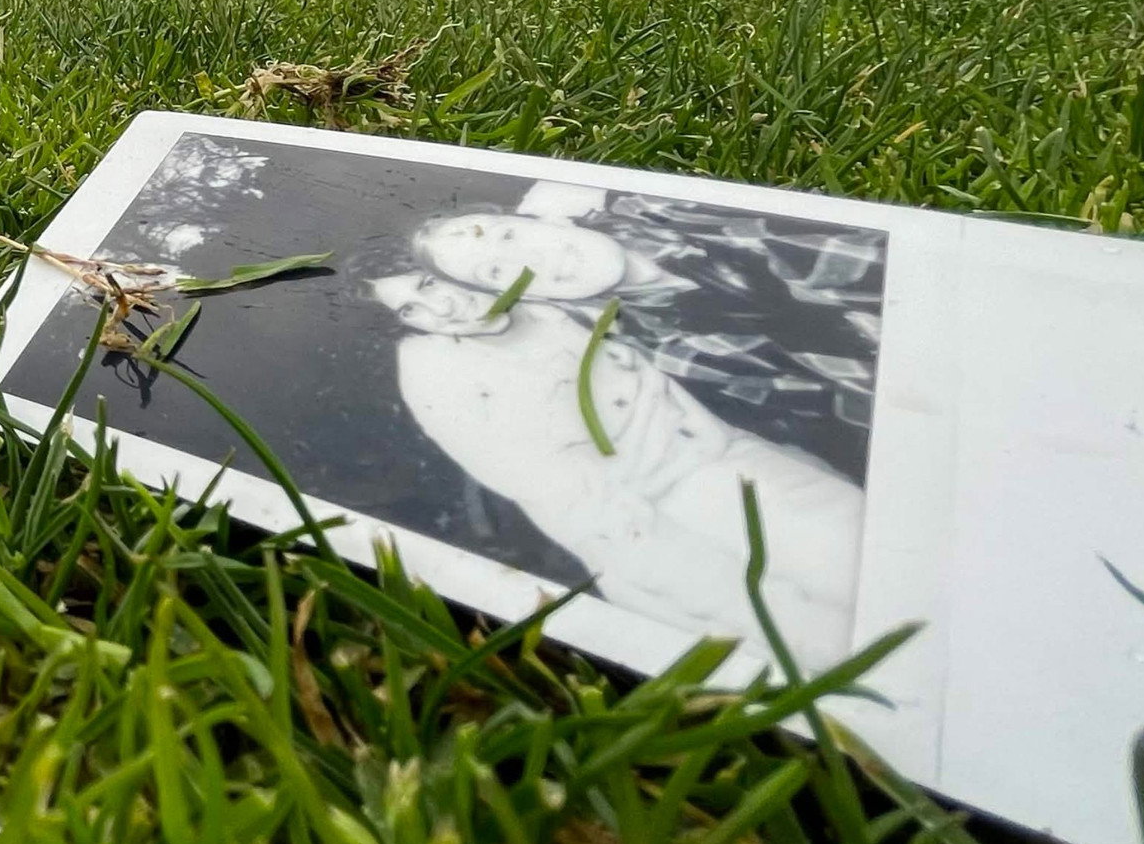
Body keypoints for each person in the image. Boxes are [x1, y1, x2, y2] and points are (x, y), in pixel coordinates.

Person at [369, 268, 864, 673]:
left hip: (734, 464)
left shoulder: (546, 300)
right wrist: (682, 574)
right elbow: (571, 501)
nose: (442, 307)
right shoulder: (436, 377)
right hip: (658, 527)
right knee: (824, 638)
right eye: (411, 310)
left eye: (427, 284)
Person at [410, 179, 884, 482]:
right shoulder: (670, 351)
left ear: (539, 216)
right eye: (498, 273)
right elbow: (838, 403)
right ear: (530, 300)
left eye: (508, 236)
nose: (531, 262)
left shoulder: (663, 203)